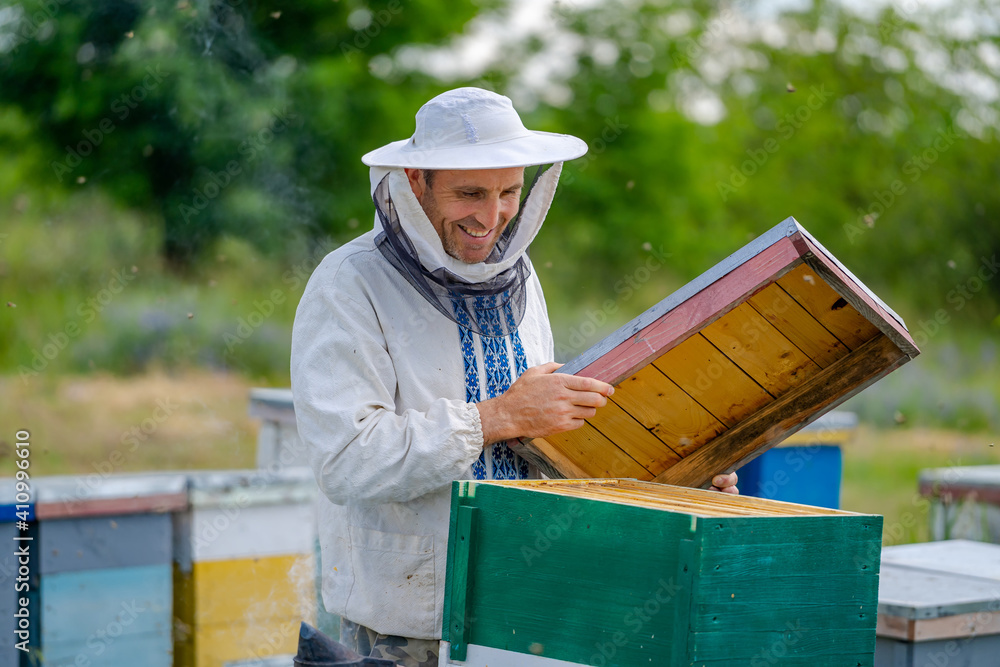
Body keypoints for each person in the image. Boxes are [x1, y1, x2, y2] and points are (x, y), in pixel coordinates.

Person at [290, 87, 738, 667]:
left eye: (508, 192)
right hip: (409, 621)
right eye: (470, 193)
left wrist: (668, 480)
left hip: (526, 604)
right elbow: (346, 459)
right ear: (415, 180)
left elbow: (542, 436)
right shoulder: (349, 285)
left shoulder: (519, 276)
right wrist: (496, 417)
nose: (492, 214)